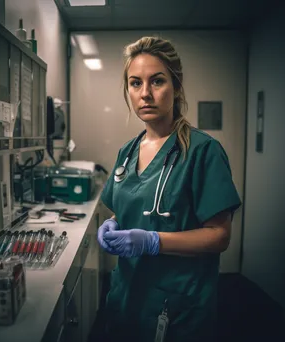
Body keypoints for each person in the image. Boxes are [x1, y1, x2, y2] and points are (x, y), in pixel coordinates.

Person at [97, 36, 241, 342]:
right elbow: (125, 209)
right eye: (135, 83)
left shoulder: (203, 151)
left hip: (176, 306)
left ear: (175, 86)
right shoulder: (128, 151)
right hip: (126, 296)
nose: (145, 93)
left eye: (157, 81)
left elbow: (219, 236)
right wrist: (113, 224)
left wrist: (153, 241)